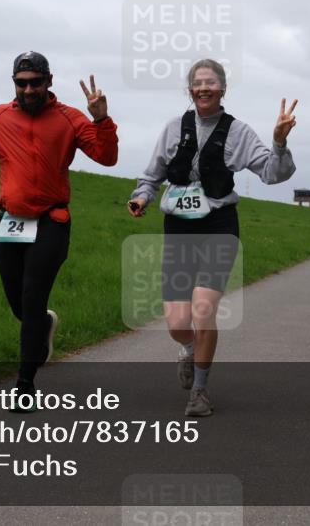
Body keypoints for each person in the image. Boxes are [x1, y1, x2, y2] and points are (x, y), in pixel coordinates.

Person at [0, 51, 118, 411]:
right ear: (14, 85)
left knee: (33, 295)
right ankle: (42, 326)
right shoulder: (0, 116)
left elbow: (106, 156)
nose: (29, 89)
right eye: (22, 83)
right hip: (11, 222)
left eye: (36, 82)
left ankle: (25, 384)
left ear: (49, 82)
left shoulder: (70, 119)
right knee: (18, 302)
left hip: (52, 221)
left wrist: (102, 120)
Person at [127, 59, 297, 417]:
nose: (204, 87)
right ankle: (188, 349)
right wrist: (142, 196)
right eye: (197, 83)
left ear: (223, 89)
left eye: (211, 82)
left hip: (219, 226)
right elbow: (152, 175)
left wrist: (279, 143)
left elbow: (273, 173)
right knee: (177, 322)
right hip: (179, 228)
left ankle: (200, 392)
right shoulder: (174, 128)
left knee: (204, 309)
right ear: (190, 90)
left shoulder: (238, 132)